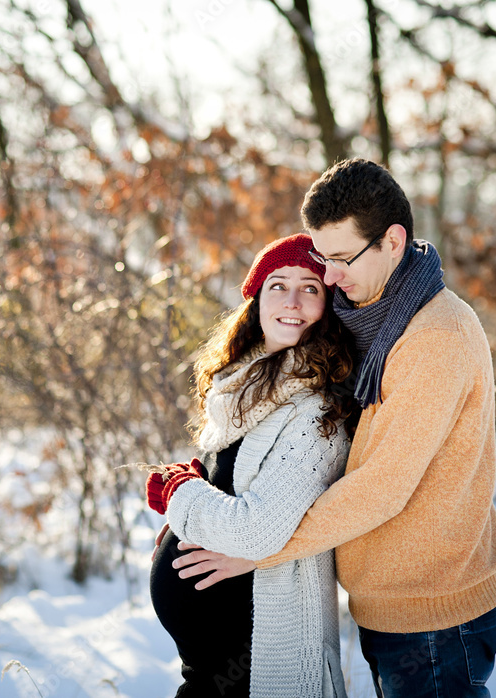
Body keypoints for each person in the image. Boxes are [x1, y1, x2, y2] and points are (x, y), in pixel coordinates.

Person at [172, 159, 496, 698]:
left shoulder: (432, 338)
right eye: (321, 257)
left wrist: (260, 550)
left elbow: (382, 487)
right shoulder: (378, 318)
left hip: (433, 614)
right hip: (392, 606)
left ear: (393, 242)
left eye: (339, 258)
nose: (328, 278)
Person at [145, 233, 358, 698]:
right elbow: (233, 480)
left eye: (311, 288)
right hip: (205, 669)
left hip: (254, 659)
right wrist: (195, 497)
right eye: (277, 285)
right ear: (256, 298)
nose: (292, 300)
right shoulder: (242, 386)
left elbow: (253, 532)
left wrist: (181, 493)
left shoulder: (319, 411)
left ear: (329, 304)